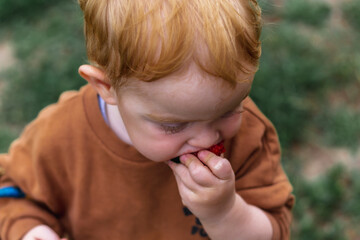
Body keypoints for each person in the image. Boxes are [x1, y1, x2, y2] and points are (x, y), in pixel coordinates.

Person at [0, 0, 294, 239]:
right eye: (173, 125)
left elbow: (274, 229)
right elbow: (12, 193)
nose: (207, 139)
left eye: (229, 110)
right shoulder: (62, 135)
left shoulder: (251, 137)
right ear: (106, 87)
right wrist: (31, 232)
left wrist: (225, 213)